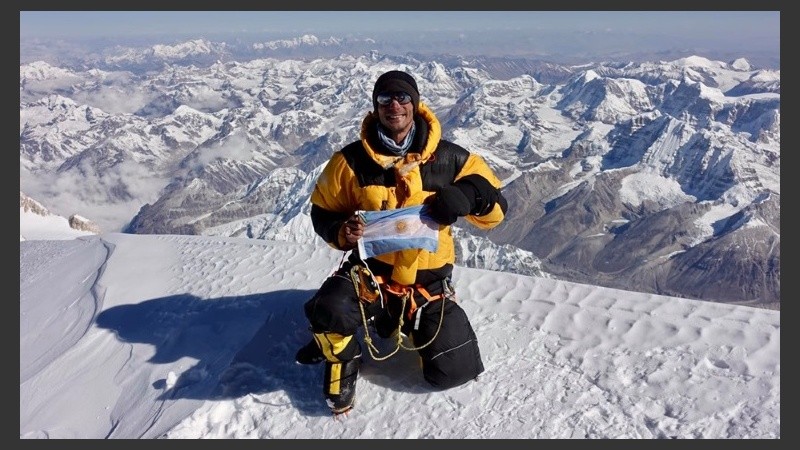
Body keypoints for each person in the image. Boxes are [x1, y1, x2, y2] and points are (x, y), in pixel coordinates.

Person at [296, 70, 508, 415]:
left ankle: (403, 324)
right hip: (371, 275)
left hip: (427, 282)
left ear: (416, 104)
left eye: (403, 97)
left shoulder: (451, 159)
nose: (394, 105)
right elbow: (323, 210)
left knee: (455, 369)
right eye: (385, 99)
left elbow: (496, 207)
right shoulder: (350, 162)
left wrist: (468, 195)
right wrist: (340, 232)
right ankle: (343, 356)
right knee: (329, 307)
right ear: (375, 108)